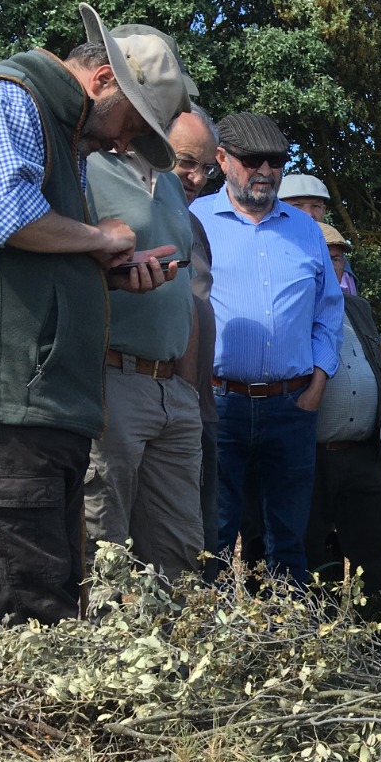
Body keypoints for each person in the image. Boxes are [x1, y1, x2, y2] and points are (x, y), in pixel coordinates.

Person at [0, 4, 187, 626]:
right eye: (134, 125)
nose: (125, 143)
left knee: (43, 603)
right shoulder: (6, 95)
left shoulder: (59, 127)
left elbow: (22, 250)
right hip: (7, 406)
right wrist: (99, 239)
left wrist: (101, 274)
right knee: (20, 617)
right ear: (104, 80)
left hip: (34, 408)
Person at [191, 111, 343, 579]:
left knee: (288, 542)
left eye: (276, 161)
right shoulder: (193, 220)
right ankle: (211, 647)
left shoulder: (305, 230)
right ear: (222, 158)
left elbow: (328, 312)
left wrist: (318, 382)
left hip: (291, 407)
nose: (266, 171)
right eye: (253, 159)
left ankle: (285, 649)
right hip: (218, 405)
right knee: (211, 538)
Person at [81, 25, 203, 580]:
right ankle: (95, 662)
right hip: (111, 378)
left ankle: (175, 663)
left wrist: (188, 388)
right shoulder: (86, 163)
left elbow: (191, 292)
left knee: (181, 551)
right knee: (100, 546)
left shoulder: (174, 185)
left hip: (172, 389)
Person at [307, 223, 381, 615]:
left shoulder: (357, 308)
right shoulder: (292, 310)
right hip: (310, 455)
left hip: (362, 452)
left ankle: (376, 638)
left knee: (376, 550)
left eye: (340, 256)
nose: (334, 264)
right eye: (325, 257)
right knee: (316, 556)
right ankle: (322, 642)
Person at [167, 106, 222, 559]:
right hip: (146, 399)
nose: (197, 177)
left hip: (195, 409)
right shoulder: (117, 210)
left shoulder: (194, 224)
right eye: (186, 162)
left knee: (193, 553)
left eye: (205, 168)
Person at [280, 172, 357, 294]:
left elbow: (348, 302)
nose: (309, 214)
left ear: (324, 211)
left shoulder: (335, 252)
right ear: (277, 209)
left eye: (316, 206)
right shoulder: (264, 249)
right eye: (297, 205)